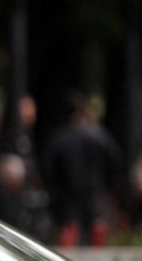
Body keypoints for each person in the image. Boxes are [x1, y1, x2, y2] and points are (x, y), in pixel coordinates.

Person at [43, 92, 121, 246]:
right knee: (97, 226)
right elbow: (114, 161)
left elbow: (50, 168)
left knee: (70, 227)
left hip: (68, 192)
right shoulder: (99, 135)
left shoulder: (60, 138)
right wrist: (111, 186)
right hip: (96, 189)